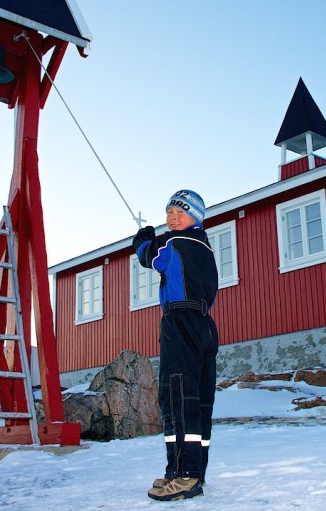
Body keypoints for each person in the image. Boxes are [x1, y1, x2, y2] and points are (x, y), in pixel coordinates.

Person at [133, 189, 219, 502]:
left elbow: (148, 256)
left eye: (178, 213)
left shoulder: (175, 243)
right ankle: (191, 472)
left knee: (177, 395)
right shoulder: (205, 249)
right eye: (168, 212)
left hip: (180, 320)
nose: (170, 219)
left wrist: (142, 237)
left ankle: (184, 475)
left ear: (195, 217)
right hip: (204, 324)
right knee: (198, 400)